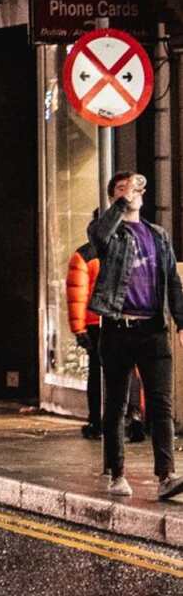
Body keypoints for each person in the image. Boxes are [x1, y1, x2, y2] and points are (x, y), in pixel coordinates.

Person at [87, 172, 183, 500]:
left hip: (152, 330)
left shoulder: (158, 235)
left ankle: (167, 476)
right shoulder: (109, 232)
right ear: (113, 197)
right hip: (117, 330)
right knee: (116, 405)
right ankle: (116, 474)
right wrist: (120, 202)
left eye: (134, 188)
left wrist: (181, 322)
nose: (130, 193)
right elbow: (99, 236)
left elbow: (172, 281)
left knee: (161, 404)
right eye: (121, 188)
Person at [67, 217, 147, 444]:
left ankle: (97, 421)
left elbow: (77, 293)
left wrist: (79, 329)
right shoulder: (132, 250)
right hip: (127, 319)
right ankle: (134, 418)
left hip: (96, 324)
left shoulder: (85, 254)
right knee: (131, 370)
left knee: (98, 372)